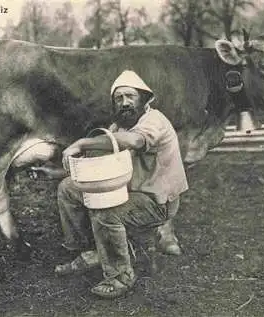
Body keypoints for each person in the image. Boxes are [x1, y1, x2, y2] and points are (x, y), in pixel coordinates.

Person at [56, 70, 189, 299]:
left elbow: (136, 140)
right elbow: (99, 156)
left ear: (144, 99)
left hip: (155, 201)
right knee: (68, 188)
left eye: (130, 96)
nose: (125, 102)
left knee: (107, 210)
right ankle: (90, 251)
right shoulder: (119, 126)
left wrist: (81, 143)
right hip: (128, 191)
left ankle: (120, 276)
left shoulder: (153, 120)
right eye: (119, 98)